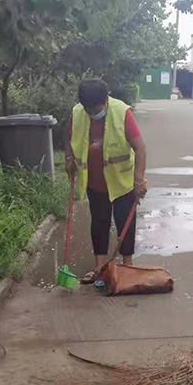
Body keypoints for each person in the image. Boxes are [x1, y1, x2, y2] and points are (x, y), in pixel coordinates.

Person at [63, 79, 148, 286]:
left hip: (122, 183)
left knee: (125, 224)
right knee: (99, 223)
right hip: (95, 183)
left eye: (96, 108)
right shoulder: (78, 114)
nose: (92, 112)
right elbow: (67, 137)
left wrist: (139, 181)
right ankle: (99, 266)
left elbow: (140, 148)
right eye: (88, 108)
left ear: (106, 100)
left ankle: (127, 266)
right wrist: (69, 159)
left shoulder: (121, 112)